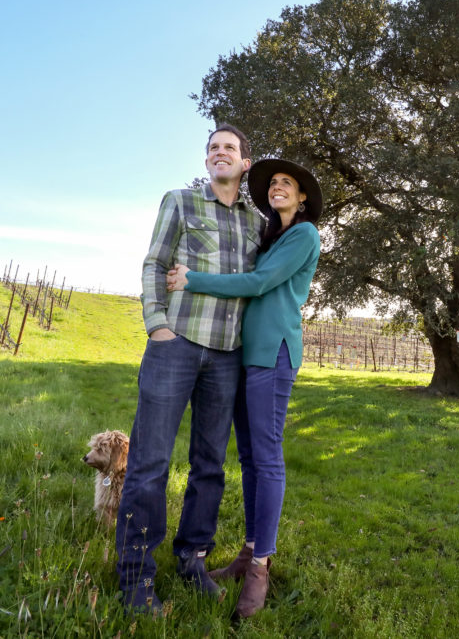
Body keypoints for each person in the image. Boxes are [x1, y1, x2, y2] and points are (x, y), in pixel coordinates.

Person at [116, 123, 266, 611]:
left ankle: (192, 559)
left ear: (245, 164)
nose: (220, 153)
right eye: (212, 148)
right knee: (149, 463)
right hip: (176, 344)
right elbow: (154, 262)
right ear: (207, 162)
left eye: (230, 148)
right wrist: (156, 325)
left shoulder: (256, 222)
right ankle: (136, 575)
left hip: (226, 354)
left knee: (210, 466)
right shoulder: (180, 201)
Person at [166, 158, 322, 617]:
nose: (277, 188)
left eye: (286, 184)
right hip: (245, 353)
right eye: (272, 183)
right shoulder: (272, 236)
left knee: (268, 456)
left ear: (302, 196)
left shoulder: (304, 234)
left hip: (273, 354)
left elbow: (258, 284)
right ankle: (247, 551)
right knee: (250, 457)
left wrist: (192, 280)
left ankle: (259, 567)